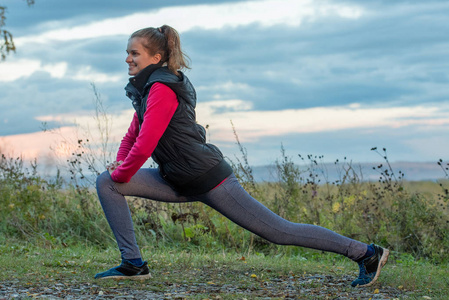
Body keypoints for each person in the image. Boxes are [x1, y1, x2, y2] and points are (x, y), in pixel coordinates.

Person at [94, 25, 389, 287]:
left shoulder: (162, 89)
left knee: (279, 232)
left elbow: (146, 143)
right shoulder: (147, 90)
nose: (127, 59)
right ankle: (133, 264)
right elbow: (134, 133)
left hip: (208, 178)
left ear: (155, 58)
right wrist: (120, 165)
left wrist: (124, 171)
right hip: (176, 178)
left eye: (134, 53)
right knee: (107, 182)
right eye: (127, 53)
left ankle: (366, 253)